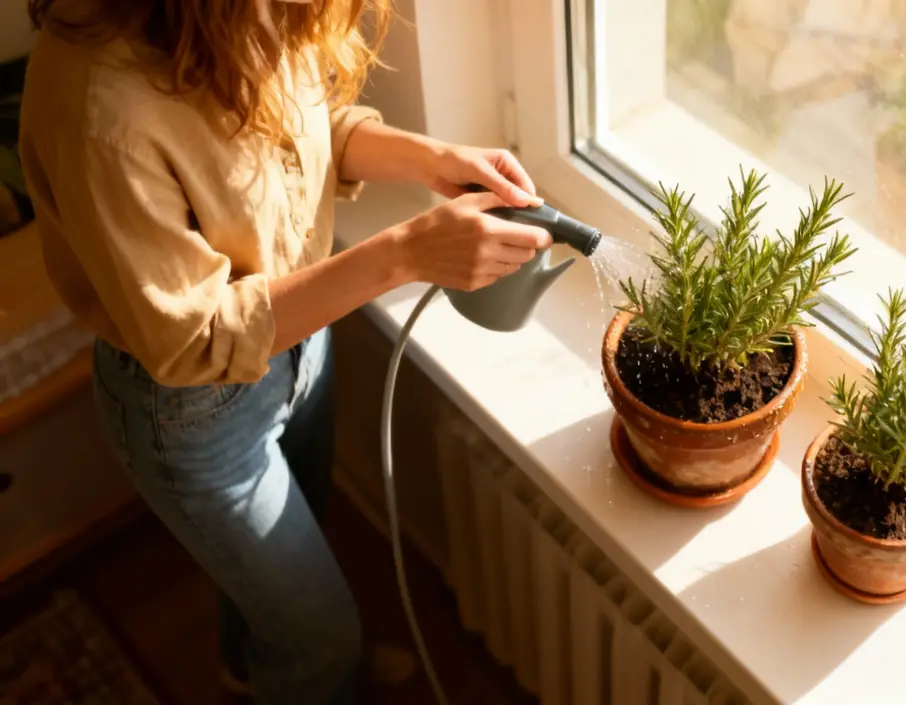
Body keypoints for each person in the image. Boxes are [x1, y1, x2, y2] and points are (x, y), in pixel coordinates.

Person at [19, 0, 552, 702]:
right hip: (191, 411)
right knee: (322, 639)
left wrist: (432, 159)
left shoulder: (245, 17)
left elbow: (299, 130)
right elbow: (198, 338)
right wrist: (408, 253)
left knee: (277, 589)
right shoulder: (100, 107)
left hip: (297, 346)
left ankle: (250, 665)